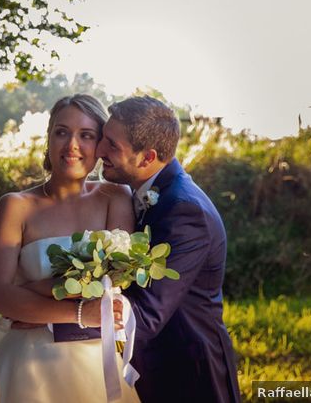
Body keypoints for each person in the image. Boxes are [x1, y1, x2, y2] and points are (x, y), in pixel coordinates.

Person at [62, 96, 240, 403]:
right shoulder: (137, 192)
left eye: (112, 145)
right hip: (149, 371)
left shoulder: (185, 211)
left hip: (186, 378)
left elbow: (146, 315)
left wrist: (54, 316)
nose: (100, 150)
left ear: (148, 157)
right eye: (103, 138)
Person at [0, 95, 139, 403]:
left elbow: (115, 288)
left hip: (97, 365)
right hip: (29, 364)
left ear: (100, 145)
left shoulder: (116, 198)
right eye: (61, 132)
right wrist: (78, 313)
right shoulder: (15, 206)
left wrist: (33, 295)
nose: (72, 145)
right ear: (48, 139)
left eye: (86, 135)